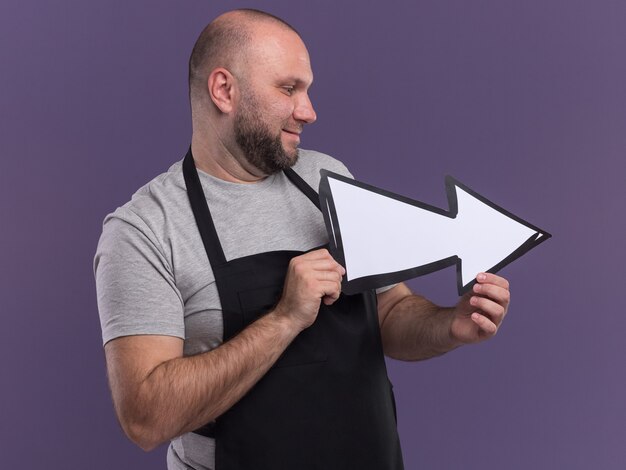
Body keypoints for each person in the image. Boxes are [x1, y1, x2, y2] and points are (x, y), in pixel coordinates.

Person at [94, 8, 511, 470]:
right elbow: (146, 419)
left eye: (307, 90)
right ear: (224, 90)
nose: (308, 111)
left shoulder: (326, 177)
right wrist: (284, 318)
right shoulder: (146, 230)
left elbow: (389, 311)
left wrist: (449, 325)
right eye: (288, 89)